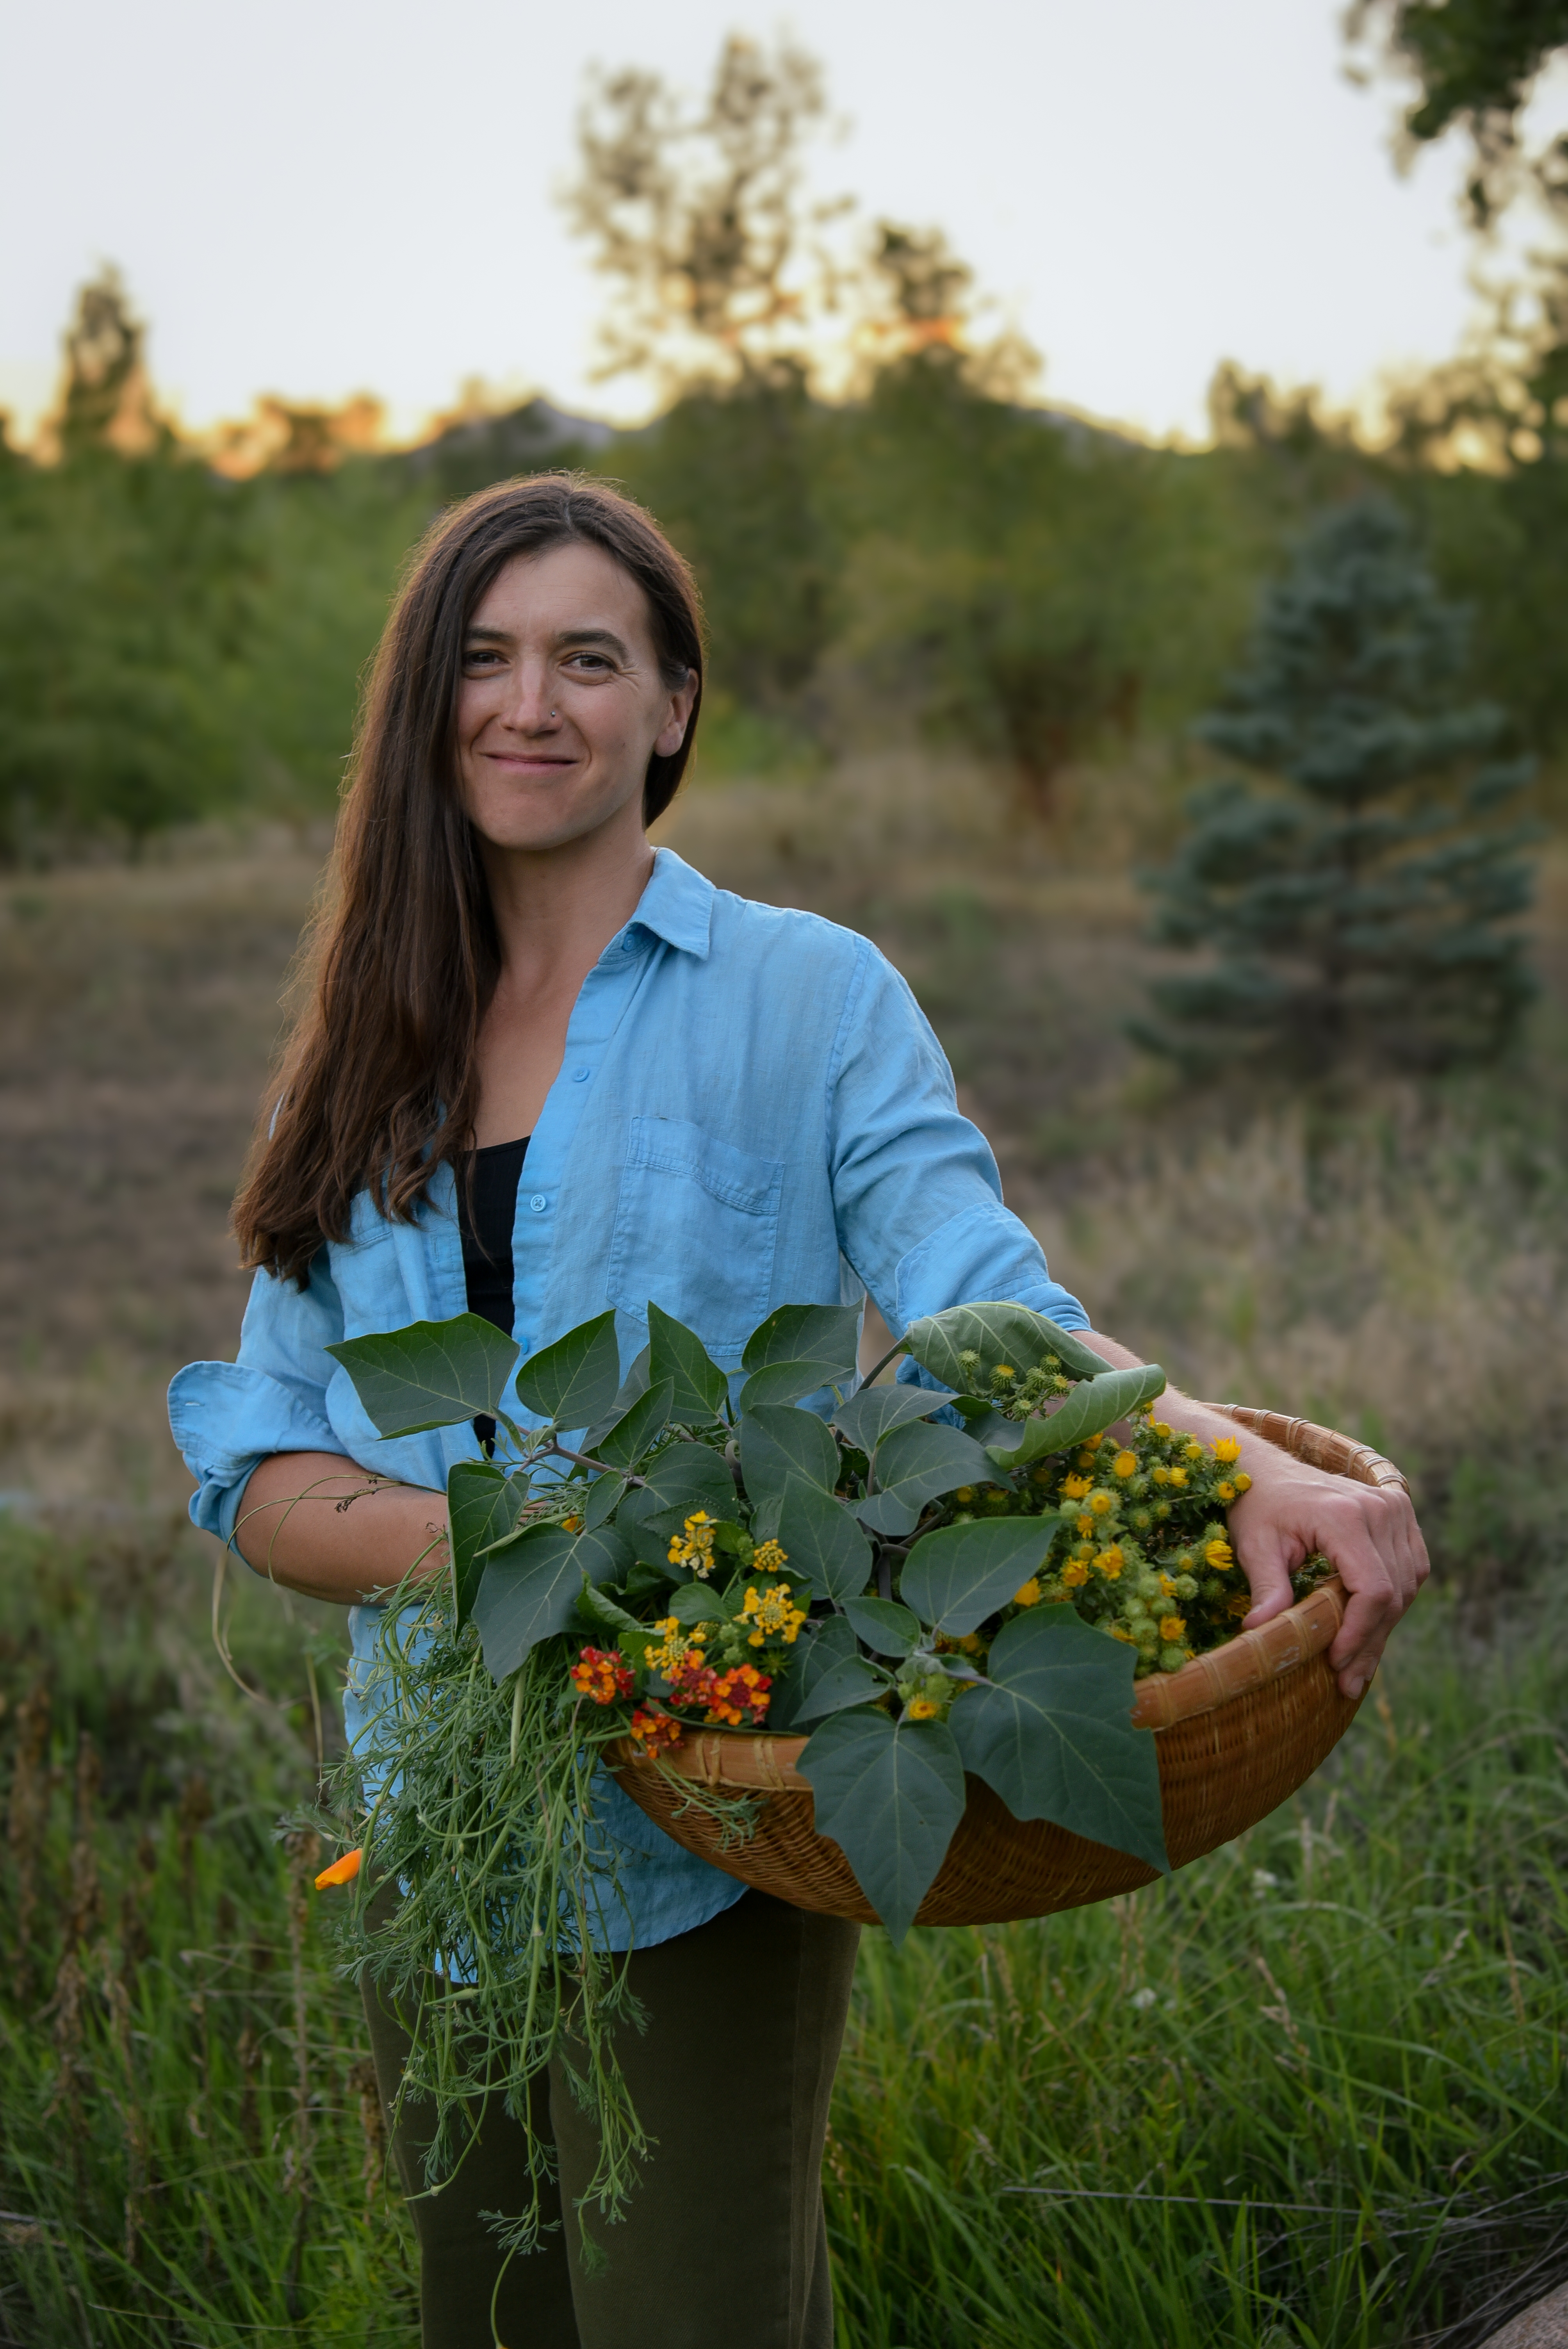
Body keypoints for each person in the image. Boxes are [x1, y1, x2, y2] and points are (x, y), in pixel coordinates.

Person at [167, 475, 1428, 2349]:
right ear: (427, 699)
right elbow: (263, 1463)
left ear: (672, 705)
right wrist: (529, 1550)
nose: (532, 704)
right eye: (488, 658)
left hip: (712, 1809)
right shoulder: (372, 1033)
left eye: (589, 659)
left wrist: (1226, 1454)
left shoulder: (804, 996)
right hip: (429, 1823)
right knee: (478, 2325)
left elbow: (979, 1295)